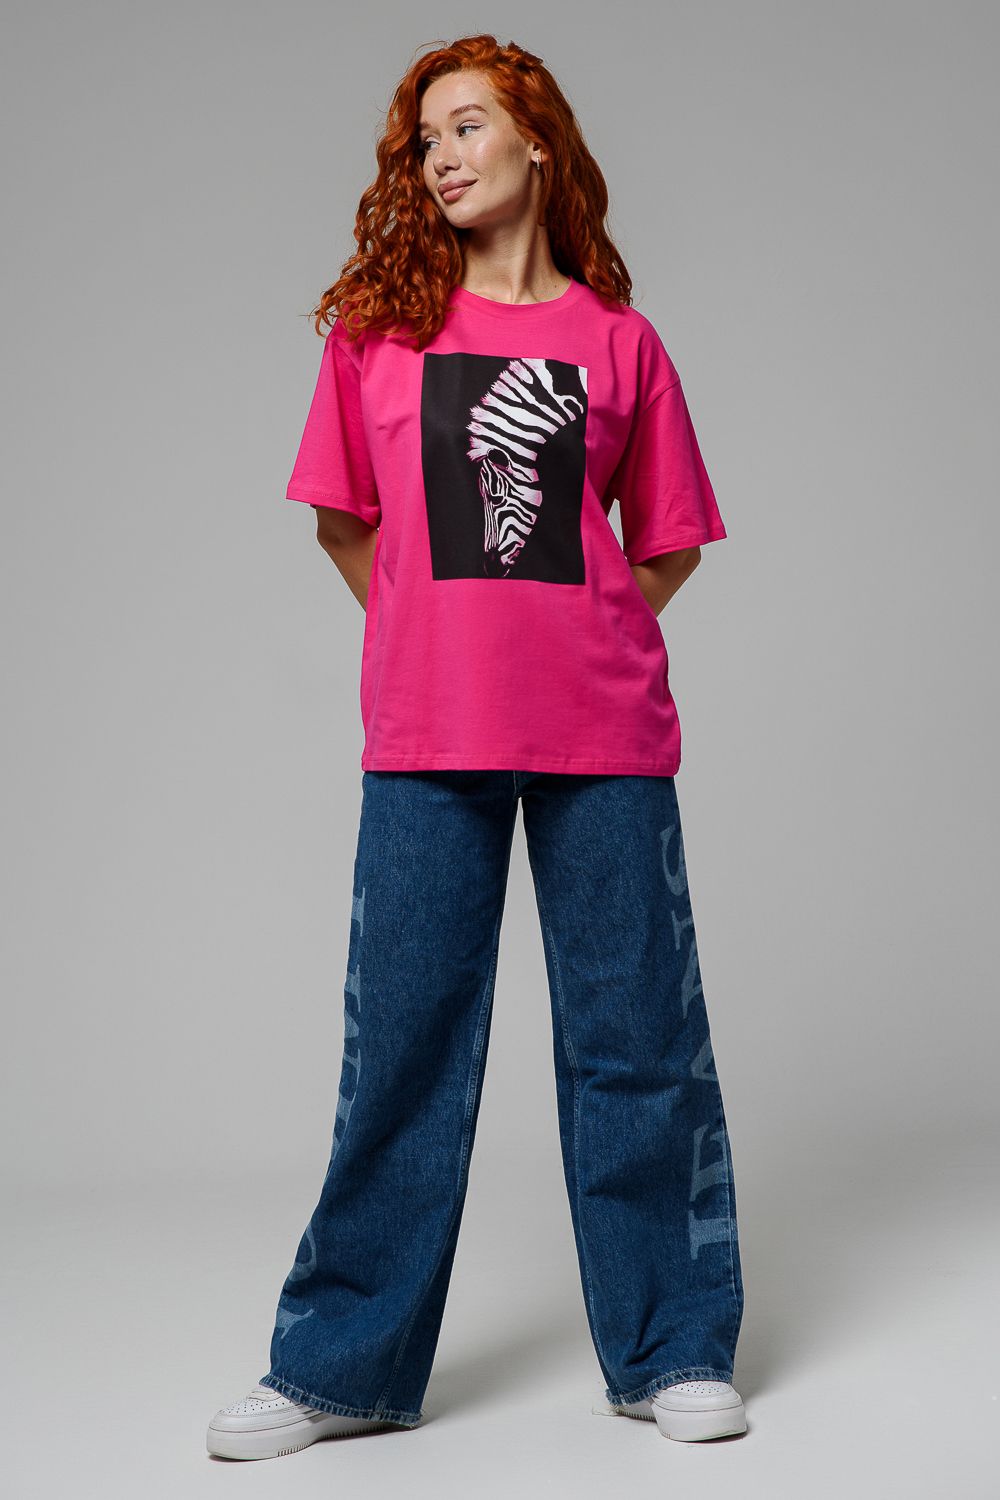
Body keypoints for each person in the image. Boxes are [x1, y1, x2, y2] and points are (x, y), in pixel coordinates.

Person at [206, 33, 747, 1462]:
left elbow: (667, 540)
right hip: (428, 730)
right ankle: (342, 1367)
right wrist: (432, 635)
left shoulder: (621, 344)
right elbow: (344, 521)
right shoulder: (378, 336)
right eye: (423, 140)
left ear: (536, 141)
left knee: (637, 1047)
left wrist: (582, 636)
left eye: (465, 127)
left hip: (605, 733)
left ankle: (675, 1346)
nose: (440, 157)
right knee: (402, 1048)